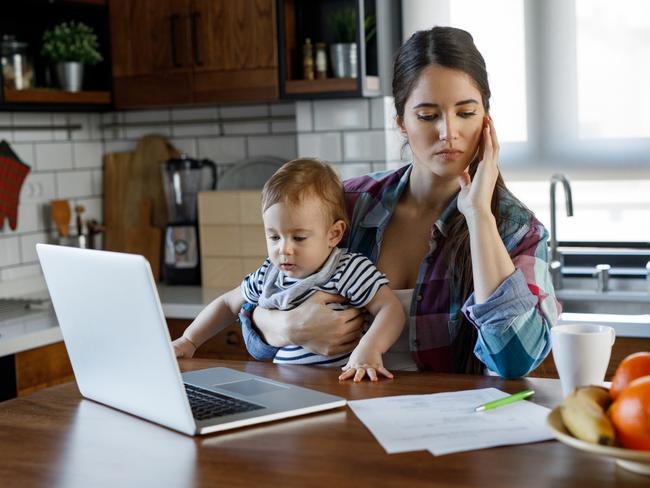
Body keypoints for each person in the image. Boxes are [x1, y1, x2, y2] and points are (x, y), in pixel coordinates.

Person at [240, 26, 560, 378]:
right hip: (339, 415)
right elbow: (258, 305)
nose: (447, 132)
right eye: (427, 116)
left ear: (487, 120)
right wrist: (290, 328)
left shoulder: (517, 230)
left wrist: (479, 215)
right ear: (401, 124)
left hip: (449, 426)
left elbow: (514, 361)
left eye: (466, 113)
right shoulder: (348, 203)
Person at [172, 158, 405, 382]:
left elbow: (390, 308)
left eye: (299, 237)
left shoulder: (346, 269)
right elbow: (226, 304)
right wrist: (189, 340)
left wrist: (369, 350)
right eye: (274, 236)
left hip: (340, 382)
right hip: (286, 384)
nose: (284, 249)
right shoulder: (268, 273)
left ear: (333, 234)